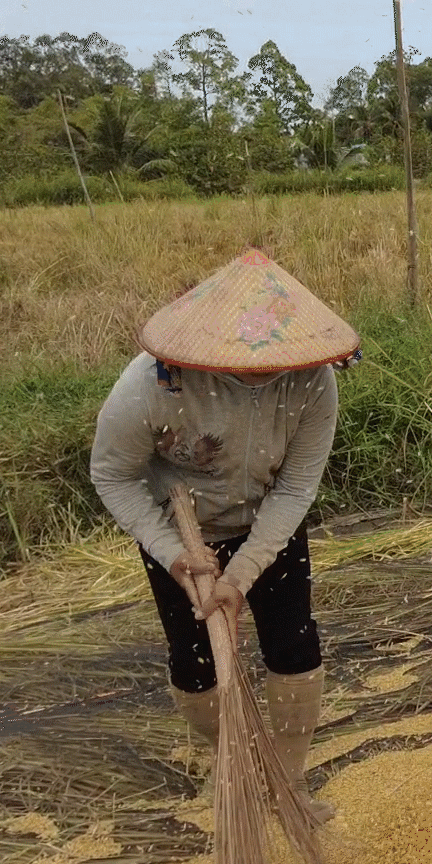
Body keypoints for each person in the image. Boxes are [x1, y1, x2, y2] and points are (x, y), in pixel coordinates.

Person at [91, 248, 360, 823]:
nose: (262, 375)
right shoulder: (152, 384)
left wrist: (241, 575)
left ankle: (287, 786)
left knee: (294, 645)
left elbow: (294, 488)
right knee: (194, 661)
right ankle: (232, 766)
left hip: (269, 522)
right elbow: (112, 475)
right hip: (180, 533)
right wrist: (172, 555)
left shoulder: (312, 384)